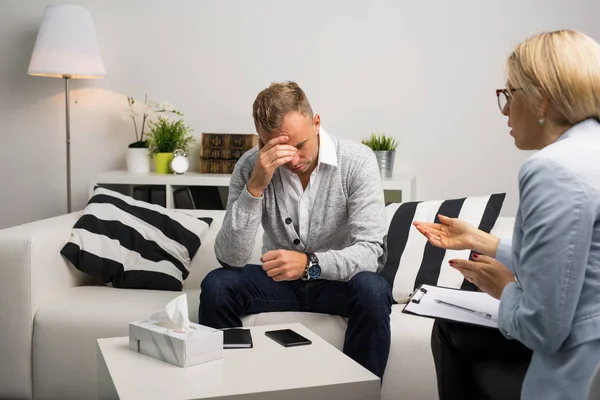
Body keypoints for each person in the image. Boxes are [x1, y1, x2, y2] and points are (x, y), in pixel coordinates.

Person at [413, 29, 600, 400]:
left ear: (542, 100)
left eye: (509, 95)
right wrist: (479, 240)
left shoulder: (552, 169)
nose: (504, 110)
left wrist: (504, 289)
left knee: (450, 330)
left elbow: (541, 328)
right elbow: (575, 260)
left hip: (574, 378)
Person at [198, 81, 392, 379]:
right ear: (261, 142)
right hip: (279, 283)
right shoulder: (250, 166)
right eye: (277, 149)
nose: (292, 160)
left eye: (299, 146)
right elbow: (231, 258)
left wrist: (310, 264)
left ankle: (359, 392)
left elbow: (371, 253)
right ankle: (229, 388)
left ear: (316, 123)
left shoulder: (357, 161)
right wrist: (256, 186)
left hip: (338, 283)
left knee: (374, 289)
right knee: (218, 285)